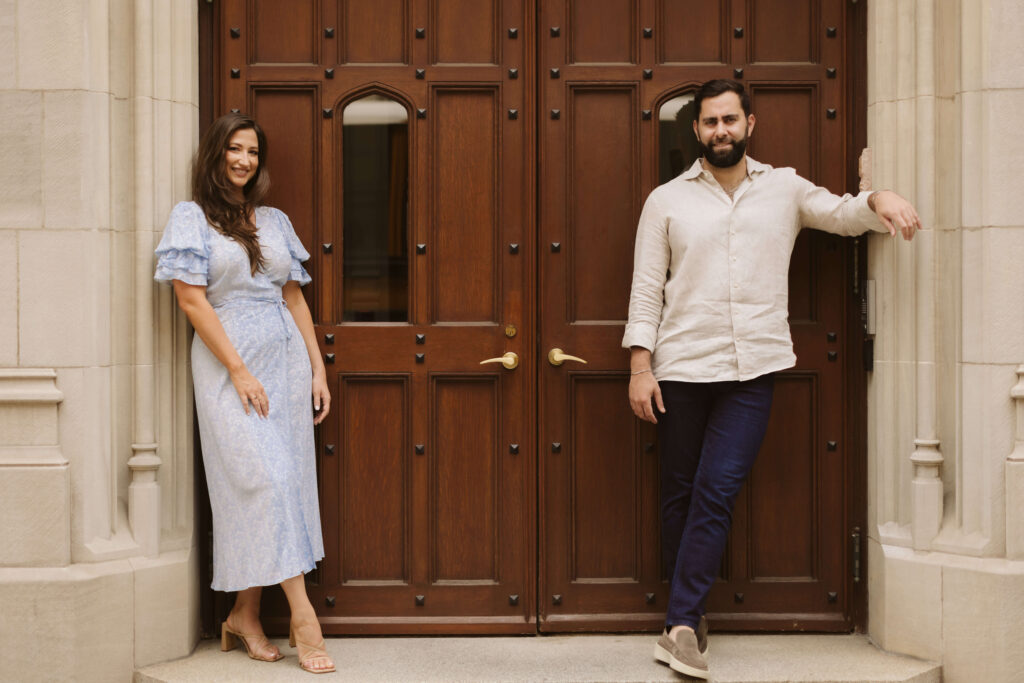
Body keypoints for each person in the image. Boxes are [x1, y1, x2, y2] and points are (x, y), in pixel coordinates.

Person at [623, 79, 919, 680]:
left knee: (717, 488)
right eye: (709, 123)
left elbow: (838, 213)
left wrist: (878, 196)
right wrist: (639, 366)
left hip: (752, 368)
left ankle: (680, 626)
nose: (720, 131)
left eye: (729, 119)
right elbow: (647, 288)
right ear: (698, 130)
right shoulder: (667, 201)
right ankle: (689, 617)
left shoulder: (783, 187)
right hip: (680, 368)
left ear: (750, 123)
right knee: (680, 495)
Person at [154, 112, 335, 674]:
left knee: (280, 487)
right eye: (234, 149)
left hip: (283, 363)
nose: (244, 160)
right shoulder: (192, 218)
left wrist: (317, 369)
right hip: (230, 367)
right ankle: (304, 617)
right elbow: (191, 301)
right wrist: (236, 369)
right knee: (266, 480)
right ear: (216, 154)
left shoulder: (274, 220)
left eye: (253, 152)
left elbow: (295, 299)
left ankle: (244, 615)